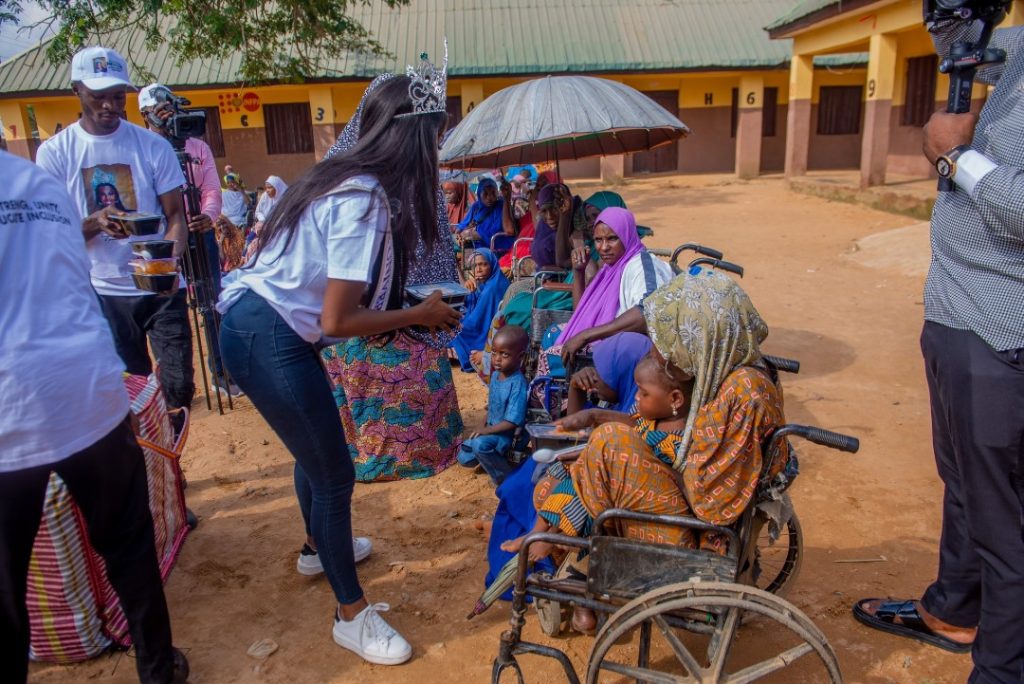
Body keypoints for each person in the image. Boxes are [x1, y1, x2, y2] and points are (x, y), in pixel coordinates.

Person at [216, 69, 460, 665]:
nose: (436, 151)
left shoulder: (342, 178)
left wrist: (408, 307)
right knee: (335, 476)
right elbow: (337, 321)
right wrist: (420, 316)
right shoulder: (363, 200)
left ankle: (314, 547)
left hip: (259, 325)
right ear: (411, 137)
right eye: (433, 137)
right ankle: (351, 615)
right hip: (269, 334)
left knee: (315, 452)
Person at [853, 9, 1024, 683]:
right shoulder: (1012, 51)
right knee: (964, 485)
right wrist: (958, 26)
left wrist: (959, 155)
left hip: (998, 340)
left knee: (1004, 529)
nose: (939, 20)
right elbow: (968, 50)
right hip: (959, 325)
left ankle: (1001, 670)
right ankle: (953, 606)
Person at [502, 269, 787, 631]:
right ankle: (580, 573)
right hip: (676, 500)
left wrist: (634, 457)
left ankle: (577, 567)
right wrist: (603, 424)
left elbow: (711, 501)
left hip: (688, 534)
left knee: (607, 446)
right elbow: (654, 430)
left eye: (667, 340)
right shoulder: (716, 367)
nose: (658, 349)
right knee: (563, 473)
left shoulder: (743, 393)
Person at [0, 149, 189, 684]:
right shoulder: (43, 185)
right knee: (129, 545)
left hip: (10, 408)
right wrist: (110, 385)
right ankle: (158, 670)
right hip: (87, 386)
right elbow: (75, 290)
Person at [320, 72, 465, 485]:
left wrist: (425, 303)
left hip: (412, 309)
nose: (435, 149)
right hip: (356, 320)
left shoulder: (421, 181)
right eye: (430, 138)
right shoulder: (357, 193)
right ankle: (376, 452)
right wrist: (413, 311)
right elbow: (341, 311)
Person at [35, 46, 193, 414]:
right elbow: (51, 236)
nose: (109, 106)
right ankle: (149, 467)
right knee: (128, 390)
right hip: (101, 291)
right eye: (98, 97)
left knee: (178, 386)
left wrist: (166, 264)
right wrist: (94, 223)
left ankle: (167, 462)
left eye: (118, 97)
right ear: (77, 90)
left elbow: (175, 218)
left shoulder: (153, 147)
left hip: (159, 286)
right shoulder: (55, 153)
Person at [137, 83, 240, 398]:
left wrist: (207, 216)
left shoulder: (197, 147)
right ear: (145, 115)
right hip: (162, 238)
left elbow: (210, 186)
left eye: (171, 108)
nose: (167, 116)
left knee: (213, 302)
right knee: (168, 304)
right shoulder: (142, 148)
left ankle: (222, 371)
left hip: (200, 232)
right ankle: (174, 381)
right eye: (160, 111)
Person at [458, 326, 529, 485]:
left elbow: (511, 422)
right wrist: (481, 424)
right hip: (492, 430)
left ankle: (505, 477)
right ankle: (492, 460)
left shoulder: (517, 383)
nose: (497, 359)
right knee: (464, 457)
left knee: (479, 445)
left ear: (521, 356)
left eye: (505, 354)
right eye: (495, 352)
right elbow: (492, 407)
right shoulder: (496, 375)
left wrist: (485, 431)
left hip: (507, 436)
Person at [450, 248, 510, 372]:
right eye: (476, 265)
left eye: (484, 264)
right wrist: (470, 291)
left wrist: (457, 324)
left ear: (492, 264)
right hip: (486, 323)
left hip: (485, 330)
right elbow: (477, 300)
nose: (479, 269)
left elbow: (477, 320)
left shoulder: (492, 288)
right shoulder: (492, 280)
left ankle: (467, 356)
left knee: (454, 328)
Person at [566, 331, 652, 415]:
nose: (595, 377)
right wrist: (576, 388)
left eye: (602, 371)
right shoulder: (621, 408)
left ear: (623, 374)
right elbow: (577, 420)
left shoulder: (641, 419)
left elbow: (580, 423)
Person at [456, 177, 516, 252]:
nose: (490, 197)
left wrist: (476, 234)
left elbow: (500, 229)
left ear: (497, 193)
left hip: (497, 244)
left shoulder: (501, 205)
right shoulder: (476, 206)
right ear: (479, 194)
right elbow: (463, 225)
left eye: (493, 193)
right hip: (477, 245)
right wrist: (458, 235)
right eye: (485, 194)